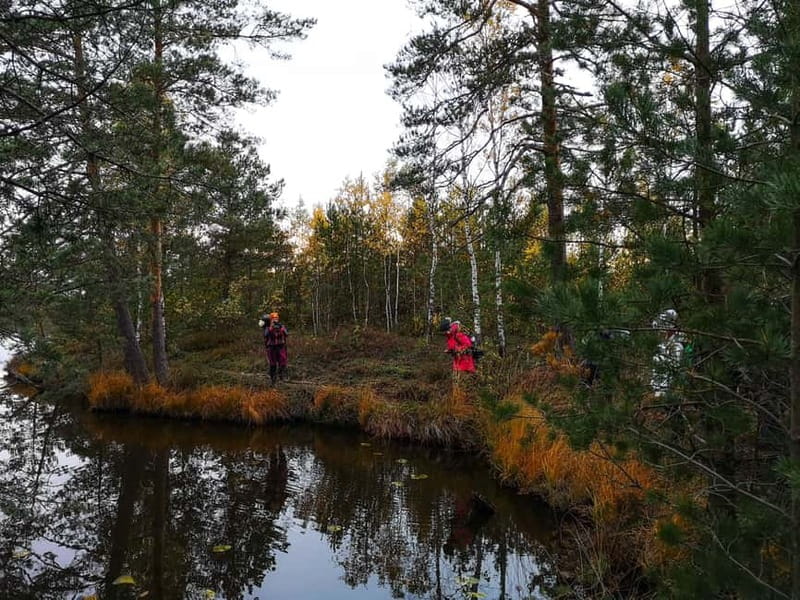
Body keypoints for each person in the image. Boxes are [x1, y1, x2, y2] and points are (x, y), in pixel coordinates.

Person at [650, 309, 686, 397]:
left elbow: (675, 366)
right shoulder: (662, 343)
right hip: (658, 386)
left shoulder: (677, 345)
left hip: (669, 388)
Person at [264, 311, 288, 385]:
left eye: (277, 318)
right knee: (273, 364)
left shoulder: (281, 326)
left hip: (280, 346)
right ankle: (273, 380)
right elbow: (265, 335)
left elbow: (286, 334)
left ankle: (281, 376)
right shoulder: (267, 327)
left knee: (283, 362)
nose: (275, 319)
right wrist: (271, 328)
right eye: (274, 318)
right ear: (271, 319)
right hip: (271, 347)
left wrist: (281, 329)